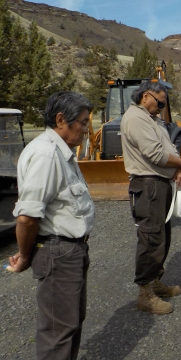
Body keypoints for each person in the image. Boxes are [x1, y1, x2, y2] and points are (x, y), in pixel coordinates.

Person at [9, 92, 95, 360]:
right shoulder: (47, 154)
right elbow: (27, 217)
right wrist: (25, 255)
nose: (85, 129)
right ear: (61, 120)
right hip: (59, 253)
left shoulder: (60, 151)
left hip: (68, 251)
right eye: (82, 122)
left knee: (68, 324)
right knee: (58, 333)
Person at [120, 80, 181, 315]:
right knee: (151, 239)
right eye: (159, 102)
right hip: (148, 186)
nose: (161, 107)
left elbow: (167, 145)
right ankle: (145, 294)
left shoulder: (151, 118)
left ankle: (155, 281)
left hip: (159, 184)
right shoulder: (136, 118)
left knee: (161, 237)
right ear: (146, 96)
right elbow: (155, 153)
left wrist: (177, 168)